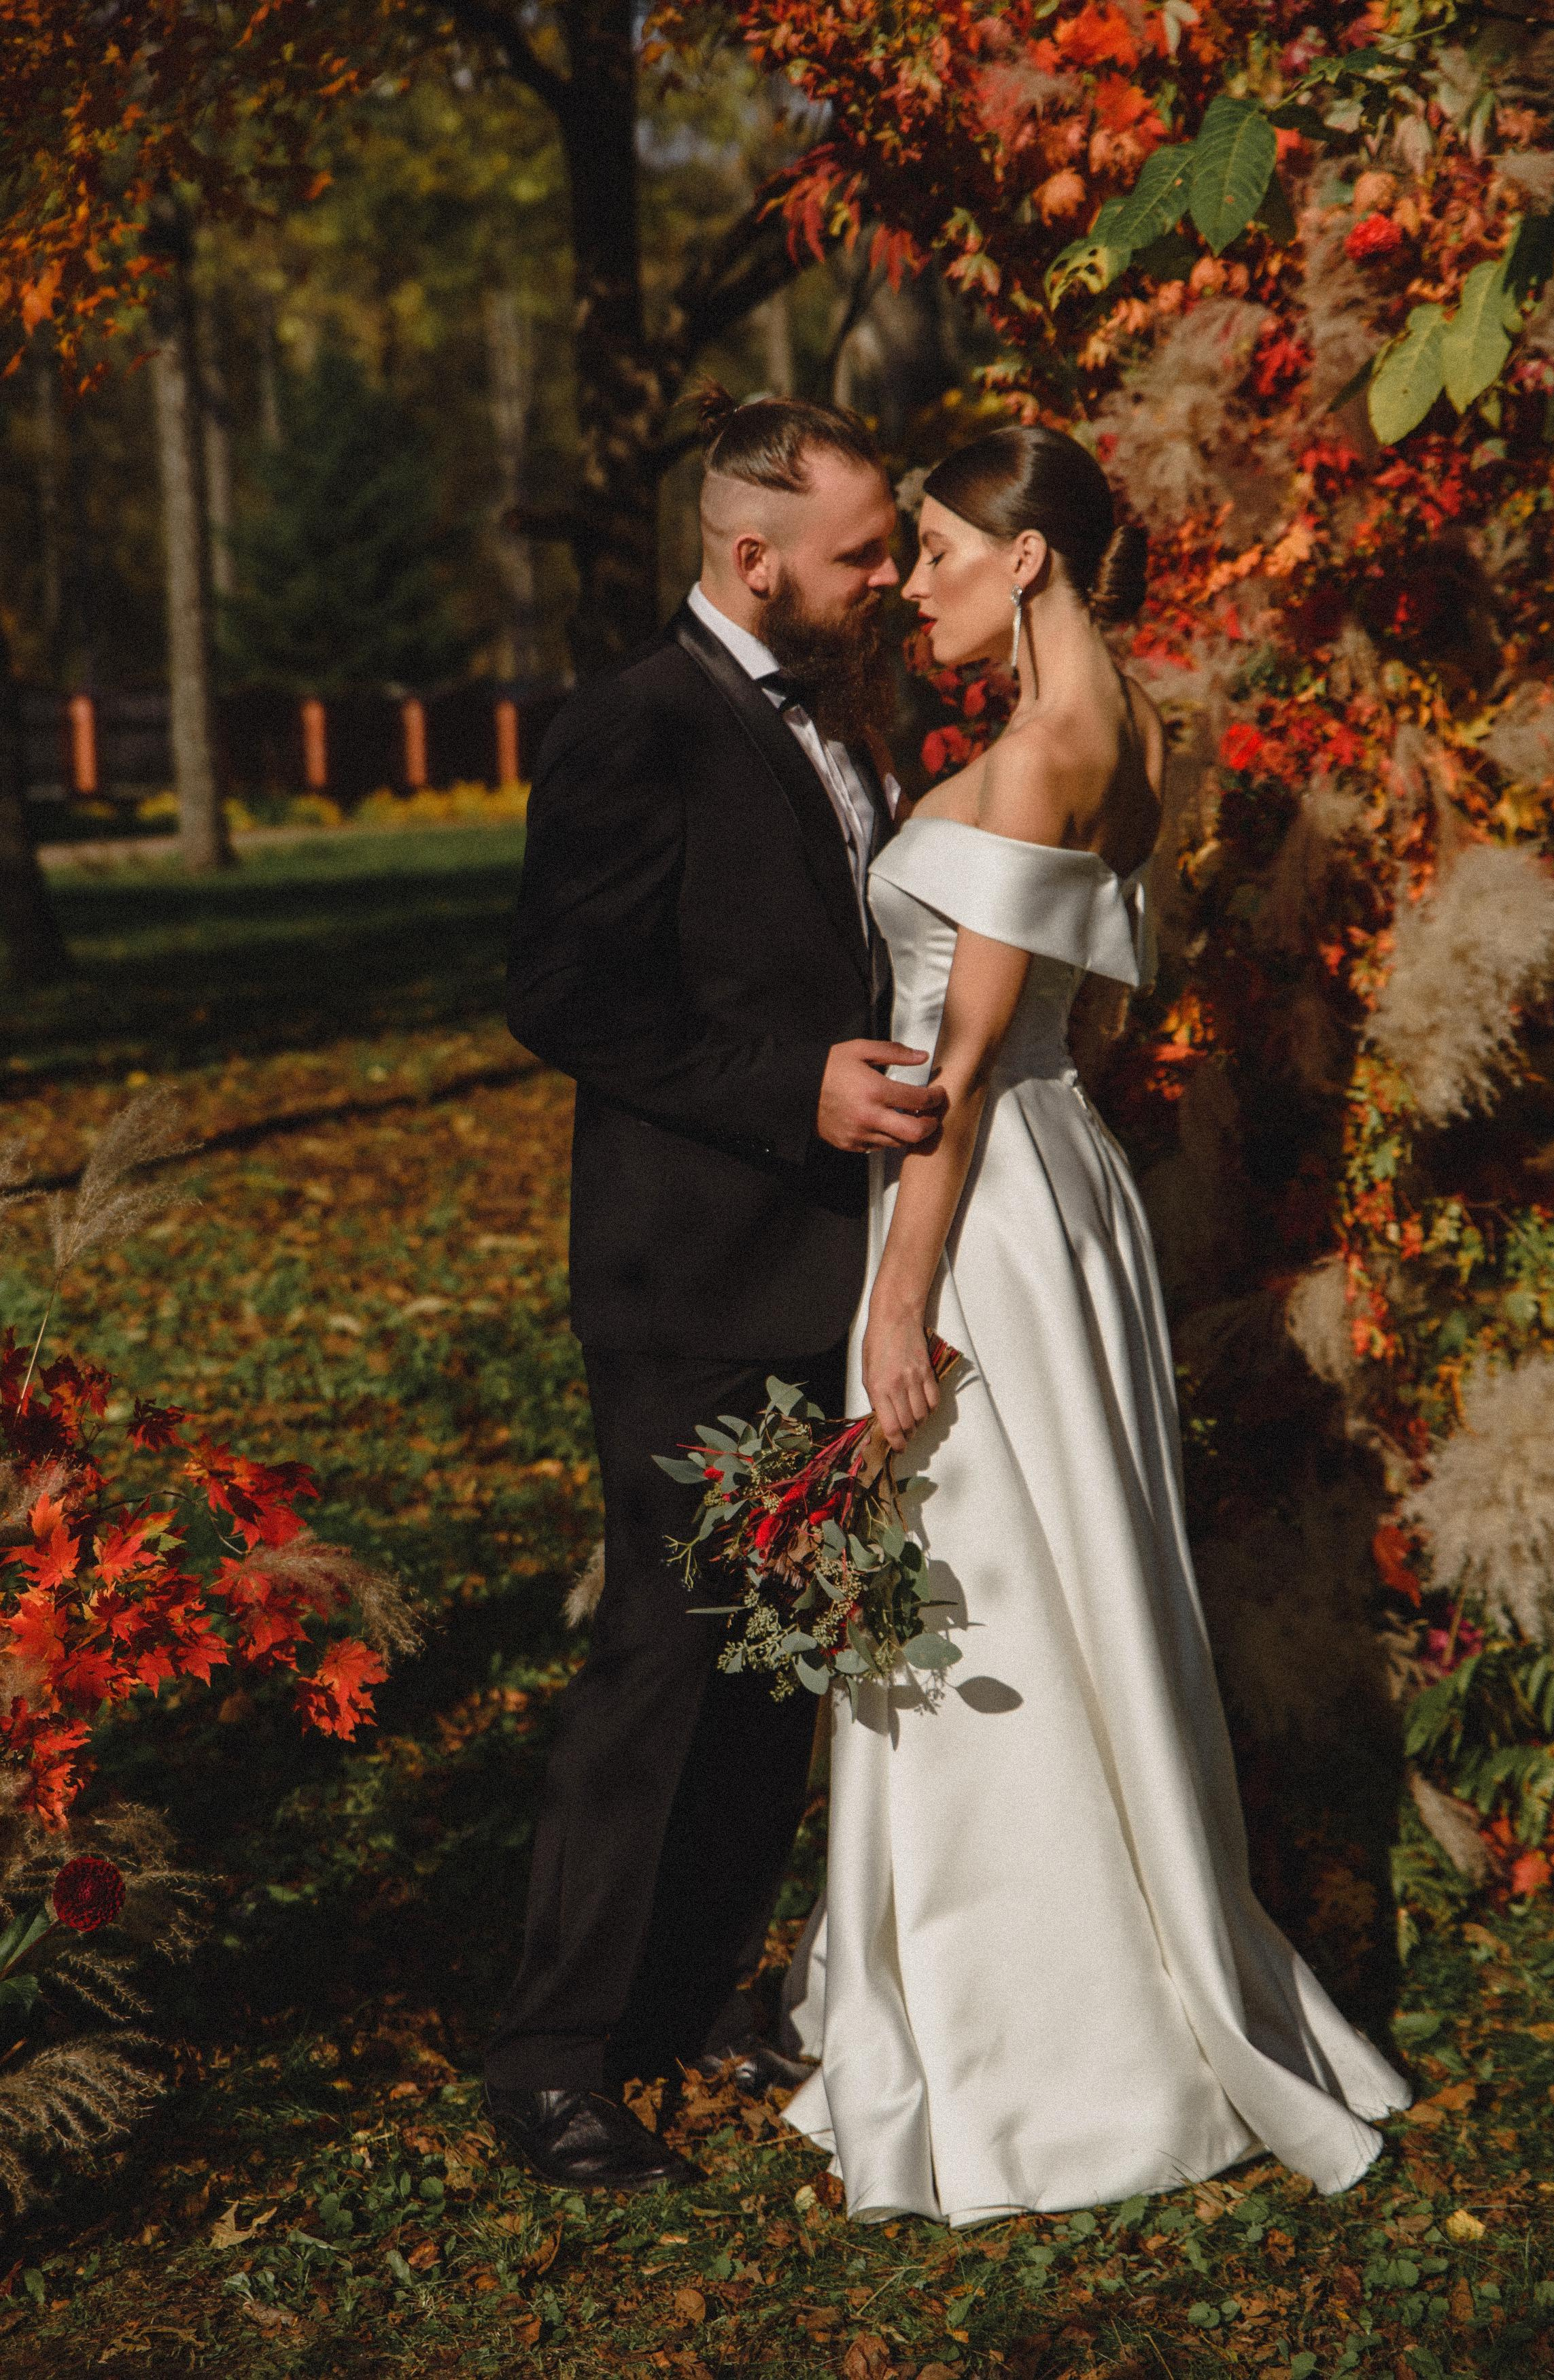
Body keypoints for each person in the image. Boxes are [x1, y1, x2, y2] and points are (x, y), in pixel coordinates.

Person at [781, 424, 1411, 2225]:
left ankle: (1051, 2043)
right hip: (1072, 1189)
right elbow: (1090, 1015)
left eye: (937, 550)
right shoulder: (1135, 731)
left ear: (1028, 557)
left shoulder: (1039, 753)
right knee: (1069, 1569)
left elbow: (969, 1063)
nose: (913, 583)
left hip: (983, 1201)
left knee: (989, 1573)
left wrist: (901, 1302)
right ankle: (1075, 1969)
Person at [485, 388, 948, 2192]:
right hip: (689, 1278)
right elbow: (564, 994)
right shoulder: (635, 723)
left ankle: (689, 1997)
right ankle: (551, 2058)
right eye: (861, 555)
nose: (889, 578)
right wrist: (792, 1089)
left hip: (824, 1267)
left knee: (778, 1664)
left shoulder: (841, 719)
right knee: (662, 1659)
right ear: (755, 560)